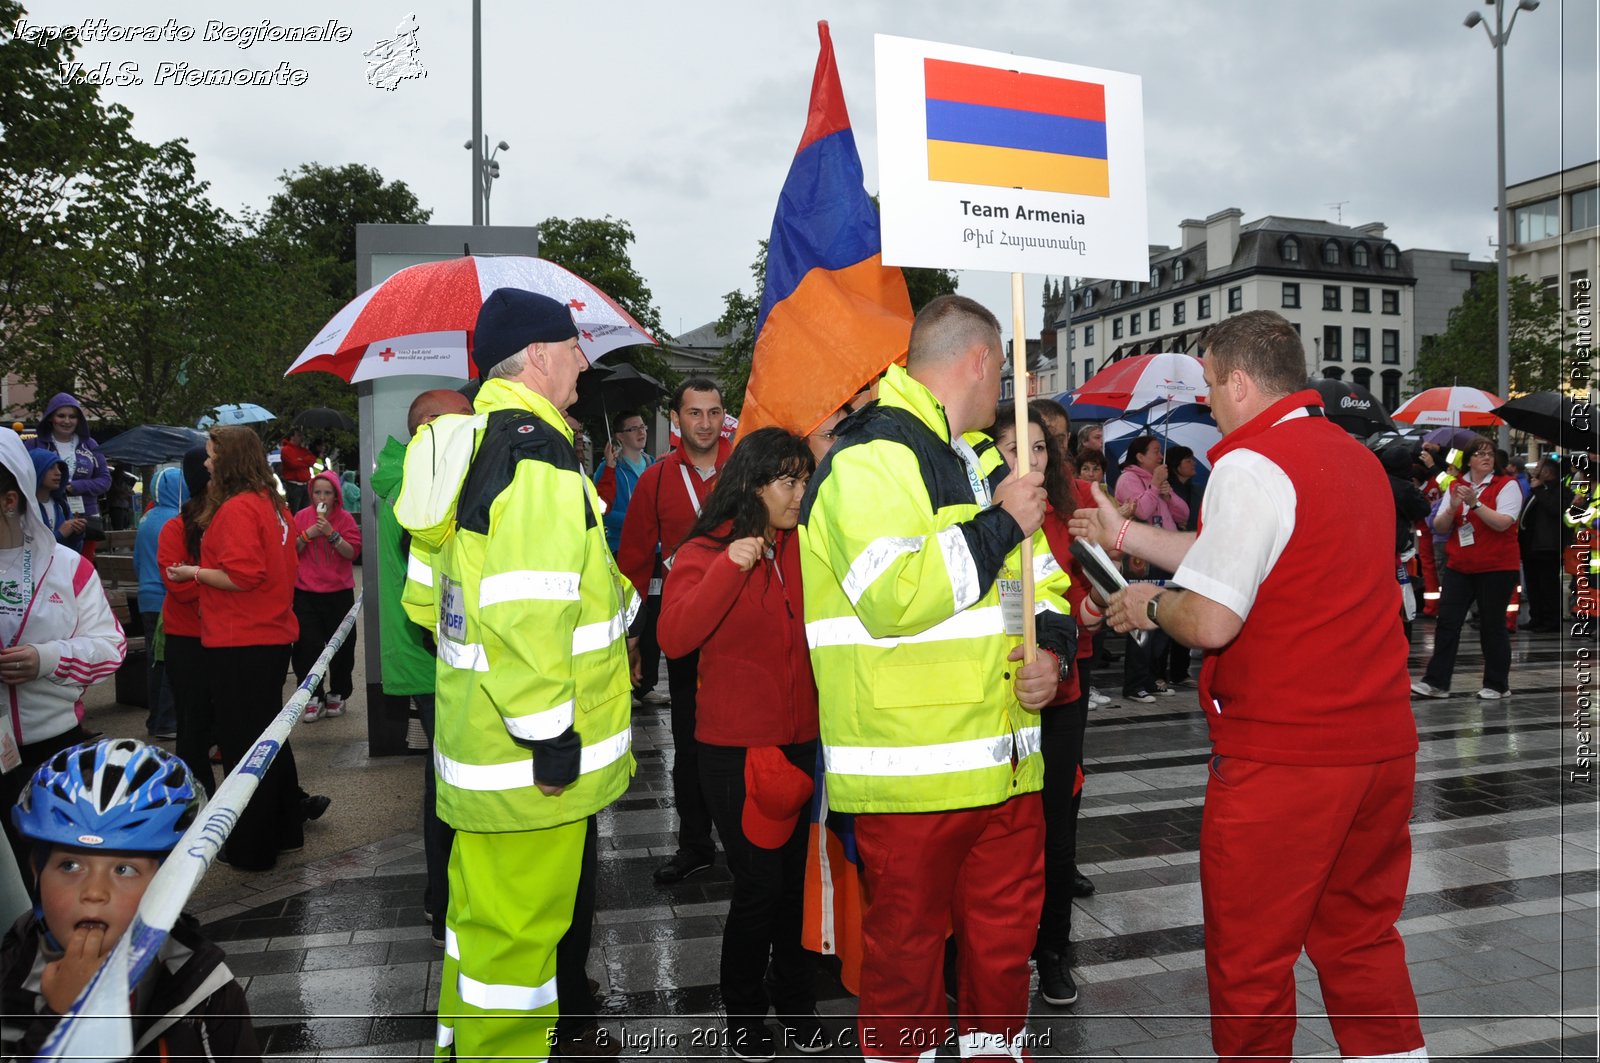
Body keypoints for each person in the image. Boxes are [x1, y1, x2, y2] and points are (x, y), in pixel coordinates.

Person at [1073, 309, 1424, 1063]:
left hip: (1286, 757)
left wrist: (1147, 602)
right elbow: (1232, 552)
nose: (1207, 401)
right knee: (1361, 939)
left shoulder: (1249, 462)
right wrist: (1125, 537)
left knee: (1251, 964)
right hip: (1381, 747)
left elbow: (1212, 617)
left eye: (1208, 384)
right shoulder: (1352, 456)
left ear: (1239, 380)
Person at [798, 294, 1075, 1061]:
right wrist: (998, 525)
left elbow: (1044, 586)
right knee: (906, 973)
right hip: (913, 773)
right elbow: (896, 596)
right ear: (981, 361)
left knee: (999, 964)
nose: (1004, 395)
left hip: (1007, 766)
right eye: (1003, 372)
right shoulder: (867, 457)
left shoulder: (985, 459)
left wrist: (1053, 654)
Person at [395, 289, 637, 1059]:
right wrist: (549, 732)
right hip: (530, 768)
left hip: (479, 755)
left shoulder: (466, 446)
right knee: (521, 965)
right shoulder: (535, 453)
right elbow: (529, 611)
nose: (581, 361)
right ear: (538, 355)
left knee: (482, 945)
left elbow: (431, 607)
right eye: (573, 346)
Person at [658, 428, 828, 1058]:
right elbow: (674, 637)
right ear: (754, 484)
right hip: (736, 754)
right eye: (789, 480)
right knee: (759, 888)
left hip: (803, 746)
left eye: (805, 479)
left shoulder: (806, 546)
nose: (800, 492)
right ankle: (745, 1017)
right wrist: (730, 568)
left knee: (794, 886)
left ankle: (797, 1001)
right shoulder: (706, 550)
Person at [1, 738, 261, 1059]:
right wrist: (61, 1019)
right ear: (37, 873)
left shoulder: (205, 992)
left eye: (124, 869)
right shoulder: (13, 968)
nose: (94, 892)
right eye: (70, 865)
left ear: (168, 882)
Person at [164, 426, 317, 871]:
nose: (206, 463)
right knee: (269, 743)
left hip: (240, 640)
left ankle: (252, 848)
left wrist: (192, 571)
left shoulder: (236, 510)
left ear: (228, 460)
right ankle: (285, 830)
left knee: (243, 749)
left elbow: (242, 575)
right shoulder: (275, 506)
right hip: (268, 636)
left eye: (212, 456)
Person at [992, 404, 1096, 1007]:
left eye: (1036, 449)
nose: (1025, 460)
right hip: (994, 696)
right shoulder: (974, 513)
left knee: (1057, 830)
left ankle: (1052, 951)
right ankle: (982, 955)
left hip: (1059, 694)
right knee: (997, 832)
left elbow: (1085, 591)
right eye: (1011, 448)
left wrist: (1088, 612)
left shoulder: (1066, 514)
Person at [618, 378, 731, 885]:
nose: (704, 423)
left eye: (713, 413)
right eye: (694, 414)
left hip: (742, 624)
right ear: (676, 418)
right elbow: (635, 565)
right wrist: (632, 638)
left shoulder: (746, 469)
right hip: (683, 625)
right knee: (688, 741)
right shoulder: (658, 479)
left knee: (748, 739)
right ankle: (695, 844)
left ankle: (749, 842)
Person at [0, 431, 125, 872]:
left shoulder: (68, 567)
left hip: (51, 754)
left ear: (9, 499)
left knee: (54, 882)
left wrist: (46, 658)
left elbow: (111, 648)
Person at [375, 388, 472, 945]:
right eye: (464, 424)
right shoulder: (420, 490)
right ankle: (444, 900)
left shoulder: (414, 477)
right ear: (429, 429)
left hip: (433, 660)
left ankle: (442, 896)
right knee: (449, 785)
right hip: (436, 661)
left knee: (443, 781)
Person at [1412, 436, 1525, 700]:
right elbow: (1439, 527)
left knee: (1492, 625)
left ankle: (1497, 684)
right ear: (1469, 460)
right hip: (1460, 565)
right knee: (1447, 622)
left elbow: (1503, 523)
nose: (1486, 457)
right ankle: (1436, 682)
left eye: (1490, 453)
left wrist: (1475, 503)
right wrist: (1452, 508)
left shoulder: (1506, 485)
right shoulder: (1457, 486)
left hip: (1496, 567)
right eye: (1480, 453)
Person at [157, 448, 216, 795]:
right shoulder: (173, 528)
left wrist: (202, 578)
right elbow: (177, 587)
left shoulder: (229, 520)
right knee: (193, 732)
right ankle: (196, 803)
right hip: (188, 641)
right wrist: (220, 581)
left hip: (224, 637)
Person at [595, 410, 662, 706]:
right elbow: (602, 509)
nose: (640, 432)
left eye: (642, 427)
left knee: (654, 617)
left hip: (655, 551)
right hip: (624, 550)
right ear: (618, 436)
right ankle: (624, 682)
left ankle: (646, 684)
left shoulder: (653, 465)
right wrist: (639, 518)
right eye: (632, 428)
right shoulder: (610, 469)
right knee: (630, 617)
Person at [291, 471, 361, 721]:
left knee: (342, 647)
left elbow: (352, 552)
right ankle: (312, 695)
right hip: (306, 593)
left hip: (338, 593)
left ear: (336, 496)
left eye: (327, 493)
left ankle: (338, 694)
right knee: (306, 647)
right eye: (317, 492)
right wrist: (308, 534)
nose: (322, 497)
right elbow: (292, 552)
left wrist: (332, 534)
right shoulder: (301, 517)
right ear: (311, 494)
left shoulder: (344, 519)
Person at [134, 465, 187, 740]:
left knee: (154, 663)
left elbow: (137, 561)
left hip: (146, 597)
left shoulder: (147, 518)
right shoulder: (175, 520)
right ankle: (167, 720)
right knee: (167, 661)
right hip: (167, 598)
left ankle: (156, 718)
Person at [28, 393, 110, 558]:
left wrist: (76, 486)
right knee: (48, 558)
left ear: (79, 420)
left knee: (81, 565)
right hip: (46, 512)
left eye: (72, 416)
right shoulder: (34, 444)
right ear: (51, 418)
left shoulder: (90, 445)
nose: (67, 421)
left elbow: (105, 480)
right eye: (61, 416)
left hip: (85, 516)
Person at [1519, 457, 1570, 632]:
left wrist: (1539, 489)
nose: (1535, 471)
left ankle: (1551, 620)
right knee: (1533, 584)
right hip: (1531, 545)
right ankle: (1537, 617)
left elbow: (1554, 508)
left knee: (1547, 585)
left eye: (1539, 467)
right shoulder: (1537, 490)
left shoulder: (1560, 490)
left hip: (1548, 546)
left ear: (1547, 472)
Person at [28, 451, 85, 552]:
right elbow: (29, 548)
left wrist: (77, 533)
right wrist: (60, 534)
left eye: (59, 468)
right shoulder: (25, 508)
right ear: (36, 470)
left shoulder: (62, 506)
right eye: (51, 467)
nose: (58, 472)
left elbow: (73, 550)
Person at [277, 428, 317, 513]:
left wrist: (300, 460)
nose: (301, 437)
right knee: (294, 512)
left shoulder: (303, 450)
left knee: (305, 512)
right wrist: (304, 461)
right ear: (292, 437)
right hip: (293, 486)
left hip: (305, 485)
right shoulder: (286, 450)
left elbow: (312, 460)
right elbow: (292, 464)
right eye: (298, 435)